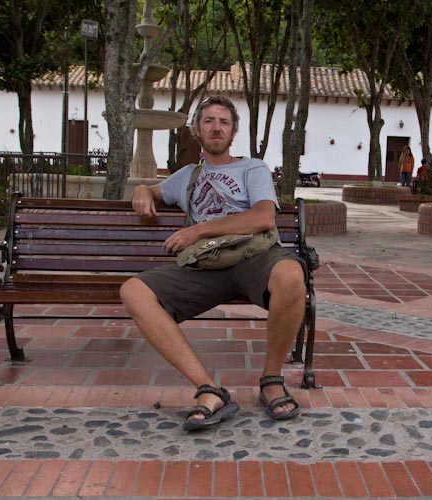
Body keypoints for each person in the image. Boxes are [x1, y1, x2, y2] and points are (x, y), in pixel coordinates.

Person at [121, 96, 306, 431]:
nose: (216, 127)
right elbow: (153, 189)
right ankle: (209, 390)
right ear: (197, 130)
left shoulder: (252, 168)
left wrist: (198, 230)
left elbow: (264, 217)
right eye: (209, 121)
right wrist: (144, 190)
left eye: (223, 121)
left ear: (233, 132)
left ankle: (271, 380)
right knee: (133, 291)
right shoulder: (187, 176)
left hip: (254, 257)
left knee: (292, 275)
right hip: (206, 265)